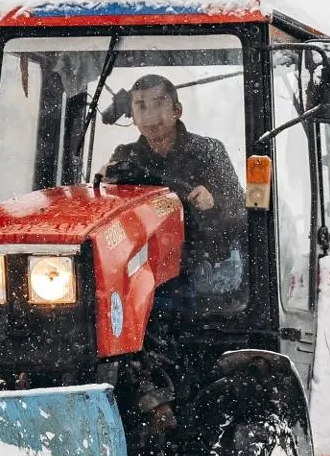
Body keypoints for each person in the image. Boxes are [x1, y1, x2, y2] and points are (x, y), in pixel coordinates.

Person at [102, 74, 246, 299]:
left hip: (202, 271)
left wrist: (212, 204)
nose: (149, 115)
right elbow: (108, 213)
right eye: (140, 106)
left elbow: (239, 213)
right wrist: (103, 182)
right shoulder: (125, 156)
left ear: (177, 110)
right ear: (132, 114)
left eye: (158, 104)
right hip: (145, 270)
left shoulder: (209, 152)